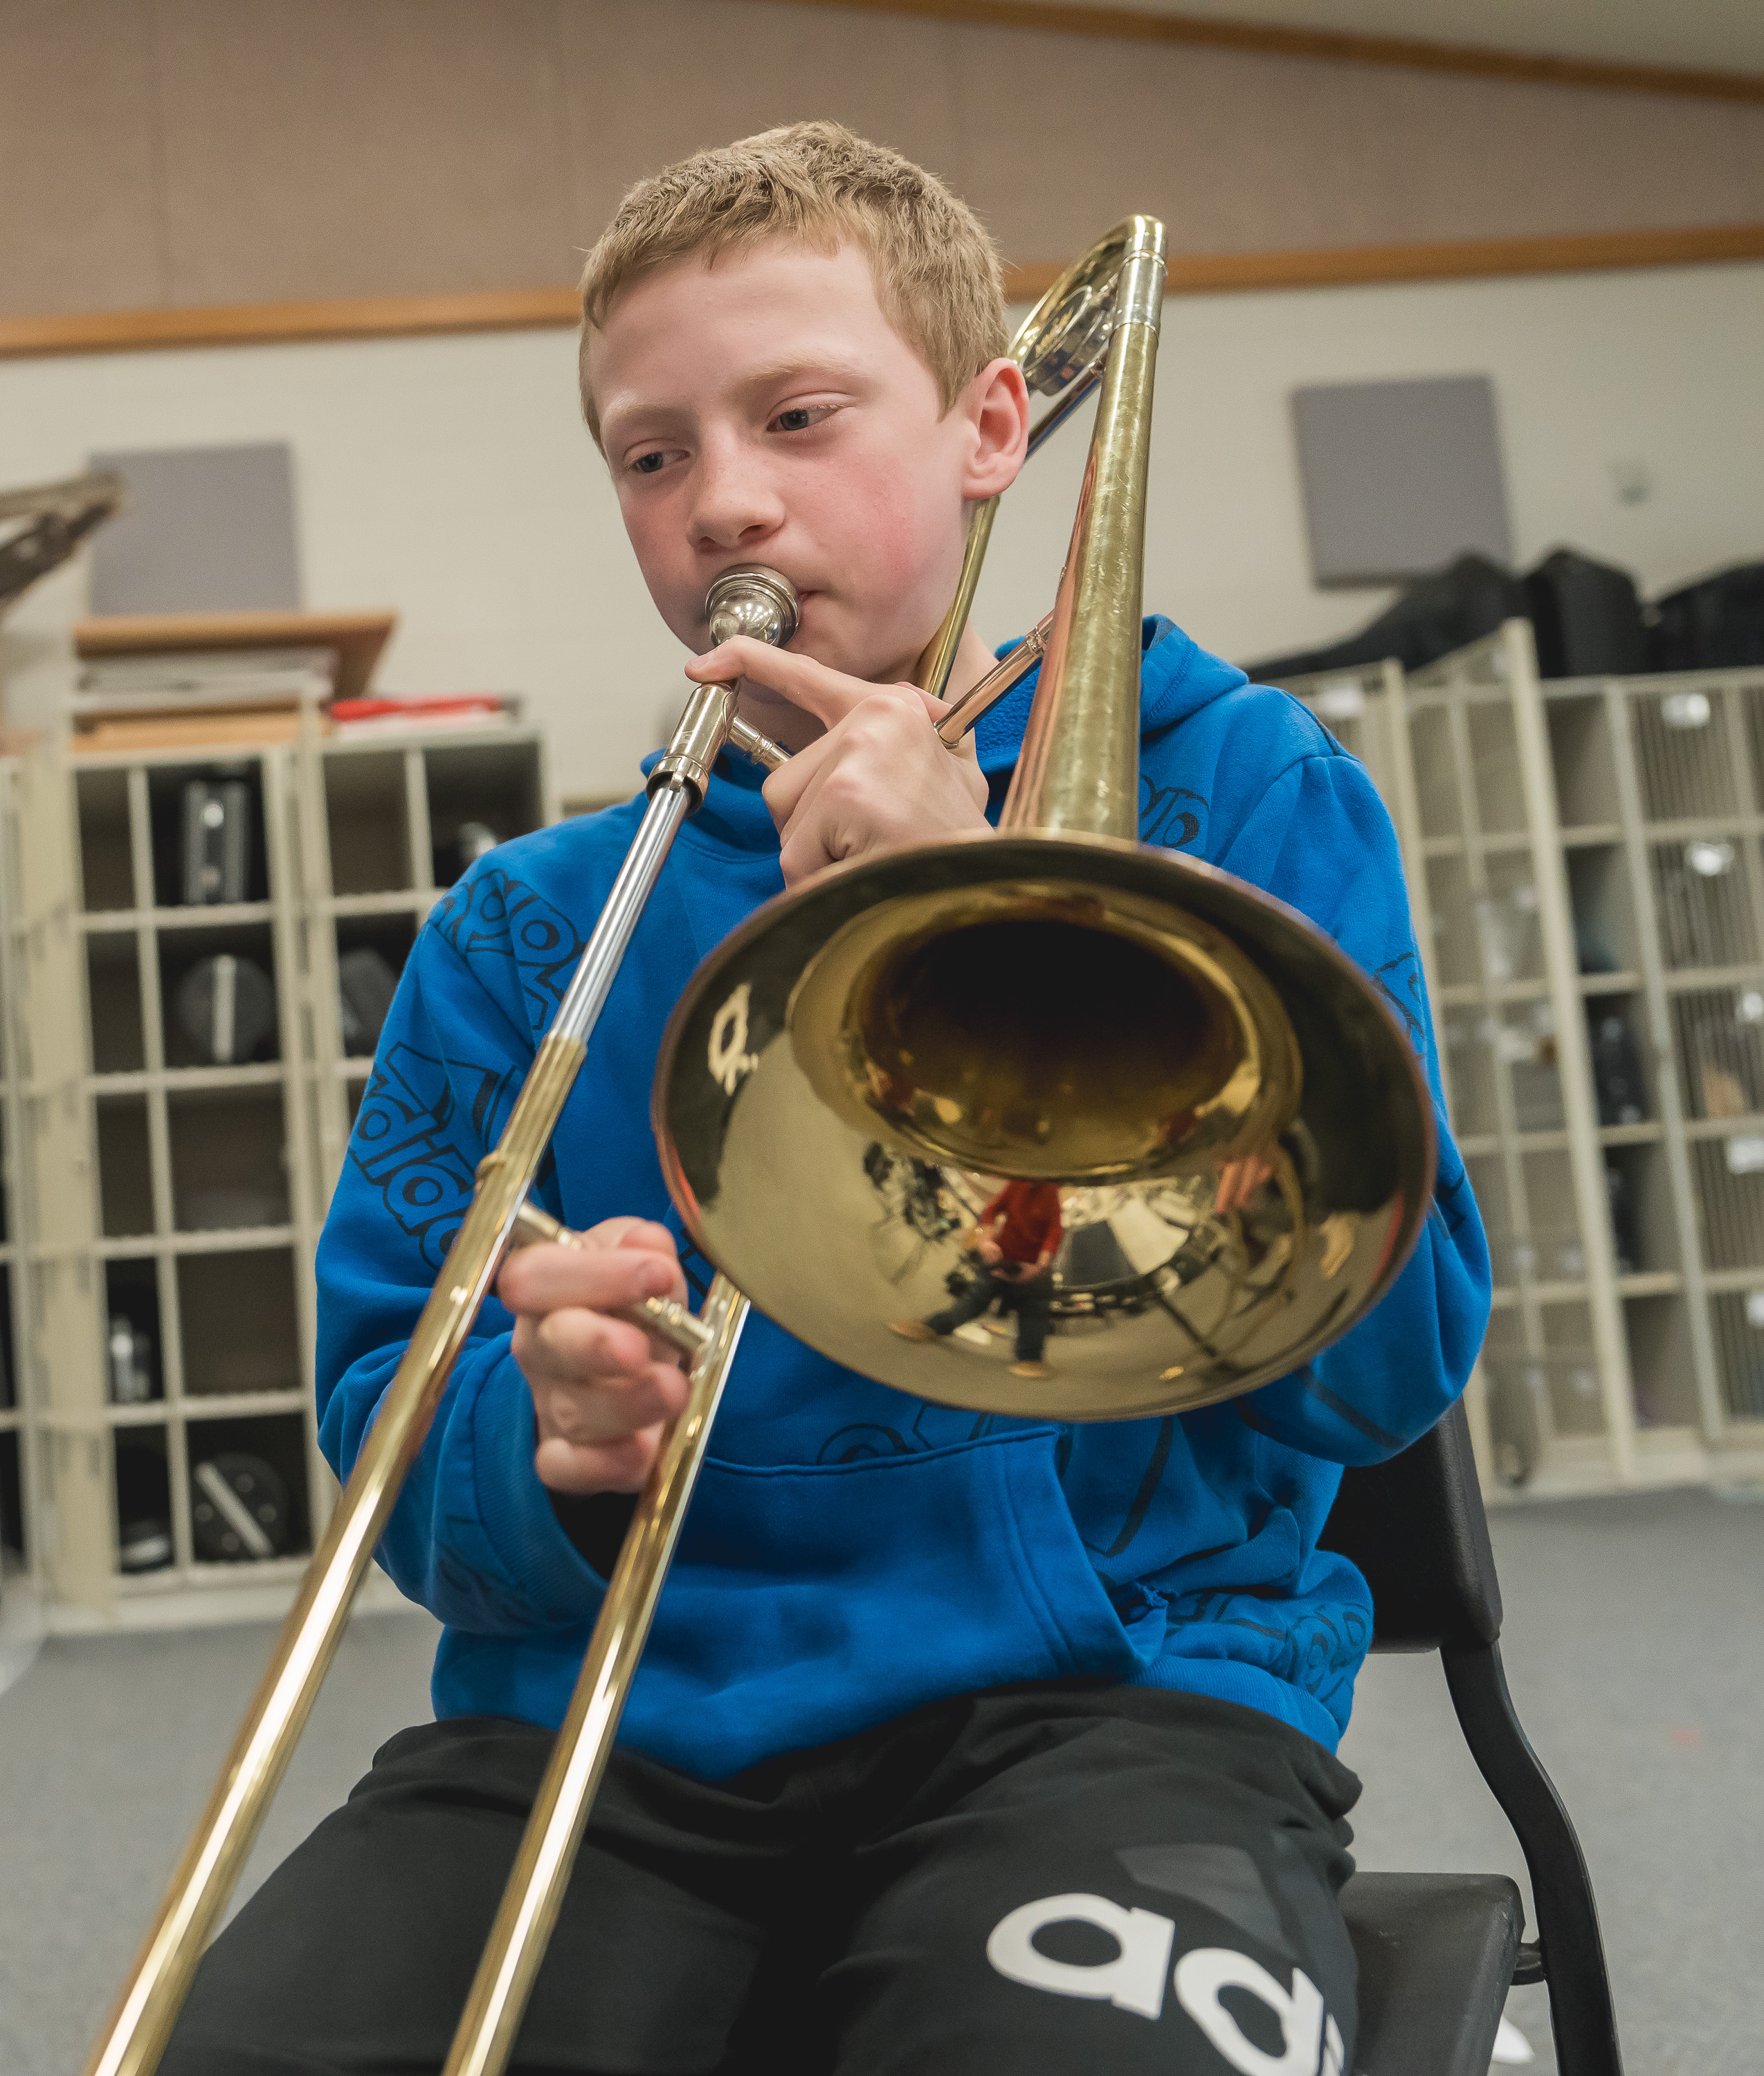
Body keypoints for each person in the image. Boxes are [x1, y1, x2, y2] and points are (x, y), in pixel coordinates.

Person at [164, 124, 1489, 2075]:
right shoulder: (526, 934)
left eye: (797, 417)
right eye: (650, 453)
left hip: (1118, 1704)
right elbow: (383, 1428)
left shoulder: (1236, 801)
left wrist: (1000, 922)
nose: (723, 503)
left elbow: (1392, 1365)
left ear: (986, 427)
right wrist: (535, 1442)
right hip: (599, 1734)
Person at [895, 1177, 1064, 1377]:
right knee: (972, 1302)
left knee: (1033, 1313)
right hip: (1001, 1259)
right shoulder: (1017, 1183)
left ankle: (1031, 1359)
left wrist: (1041, 1266)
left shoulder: (1050, 1192)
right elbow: (992, 1210)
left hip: (1030, 1269)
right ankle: (931, 1327)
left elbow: (1055, 1230)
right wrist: (986, 1242)